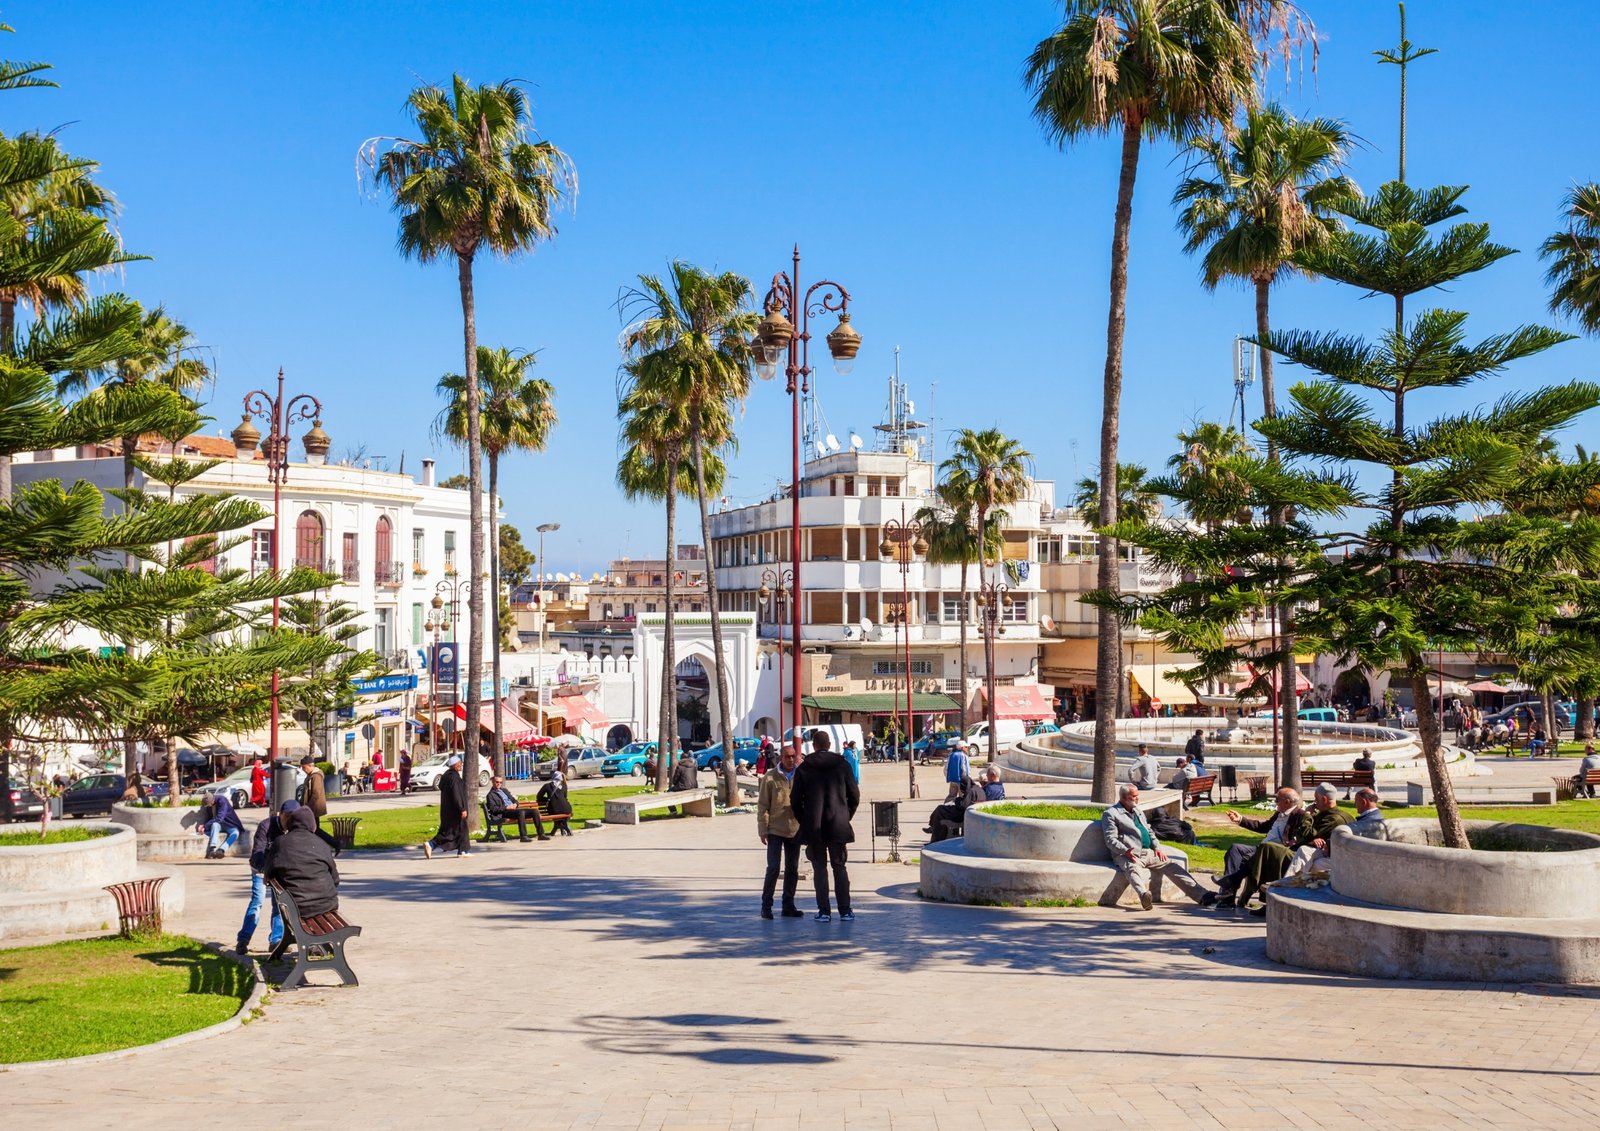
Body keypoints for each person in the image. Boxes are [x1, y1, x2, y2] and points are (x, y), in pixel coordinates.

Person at [1099, 785, 1212, 910]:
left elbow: (1149, 831)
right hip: (1127, 854)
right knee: (1132, 869)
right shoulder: (1111, 814)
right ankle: (1144, 896)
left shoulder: (1137, 810)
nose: (1138, 799)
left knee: (1173, 866)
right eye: (1135, 796)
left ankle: (1202, 895)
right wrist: (1125, 850)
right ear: (1125, 798)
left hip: (1148, 852)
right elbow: (1110, 839)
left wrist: (1157, 847)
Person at [790, 730, 860, 922]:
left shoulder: (804, 768)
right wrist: (846, 816)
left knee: (819, 868)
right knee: (840, 866)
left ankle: (824, 911)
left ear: (813, 746)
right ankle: (845, 910)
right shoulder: (842, 765)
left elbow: (795, 800)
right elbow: (854, 795)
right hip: (838, 824)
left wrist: (805, 820)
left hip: (814, 827)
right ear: (829, 745)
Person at [1211, 788, 1312, 909]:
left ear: (1287, 801)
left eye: (1277, 799)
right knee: (1235, 849)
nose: (1275, 802)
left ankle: (1229, 886)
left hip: (1275, 852)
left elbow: (1304, 835)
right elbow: (1264, 826)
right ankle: (1228, 896)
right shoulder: (1279, 814)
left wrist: (1292, 841)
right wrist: (1241, 820)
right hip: (1261, 848)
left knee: (1258, 852)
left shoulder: (1300, 815)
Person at [236, 800, 291, 955]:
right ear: (281, 815)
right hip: (260, 868)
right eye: (287, 817)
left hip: (278, 871)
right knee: (257, 902)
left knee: (279, 905)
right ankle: (243, 939)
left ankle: (276, 941)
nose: (289, 821)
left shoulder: (293, 828)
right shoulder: (266, 826)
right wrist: (265, 872)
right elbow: (258, 852)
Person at [266, 806, 340, 918]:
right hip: (326, 906)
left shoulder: (280, 843)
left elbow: (268, 873)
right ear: (312, 825)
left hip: (295, 908)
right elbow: (335, 880)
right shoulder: (322, 844)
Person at [757, 744, 804, 920]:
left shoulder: (801, 775)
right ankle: (766, 906)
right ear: (780, 758)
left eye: (793, 756)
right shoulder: (770, 778)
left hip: (795, 829)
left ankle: (788, 905)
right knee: (773, 868)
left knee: (792, 869)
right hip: (775, 830)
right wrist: (763, 829)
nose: (791, 760)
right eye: (787, 757)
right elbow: (763, 805)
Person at [422, 754, 469, 858]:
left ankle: (463, 850)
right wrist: (462, 808)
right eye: (460, 764)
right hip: (455, 810)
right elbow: (457, 794)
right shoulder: (454, 777)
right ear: (456, 765)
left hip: (447, 809)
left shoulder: (446, 776)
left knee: (458, 830)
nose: (461, 765)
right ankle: (431, 844)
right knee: (450, 832)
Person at [485, 775, 549, 842]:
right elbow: (493, 809)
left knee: (534, 811)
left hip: (514, 810)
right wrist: (507, 807)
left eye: (501, 782)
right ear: (493, 782)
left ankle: (541, 834)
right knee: (521, 813)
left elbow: (514, 800)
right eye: (497, 782)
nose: (499, 784)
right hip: (505, 812)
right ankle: (523, 836)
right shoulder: (490, 795)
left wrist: (515, 804)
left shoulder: (504, 790)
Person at [925, 772, 984, 843]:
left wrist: (958, 801)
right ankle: (934, 828)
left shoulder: (971, 791)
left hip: (963, 815)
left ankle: (935, 837)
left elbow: (963, 806)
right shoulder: (978, 790)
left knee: (940, 810)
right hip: (971, 813)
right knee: (941, 810)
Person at [298, 755, 340, 854]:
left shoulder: (316, 776)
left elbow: (316, 793)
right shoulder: (311, 776)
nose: (303, 770)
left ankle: (334, 844)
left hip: (313, 808)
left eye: (304, 767)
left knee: (314, 829)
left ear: (310, 765)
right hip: (311, 808)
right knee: (314, 829)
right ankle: (321, 847)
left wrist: (307, 807)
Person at [203, 789, 245, 858]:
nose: (208, 806)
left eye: (209, 804)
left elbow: (220, 818)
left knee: (235, 833)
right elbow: (210, 819)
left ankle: (221, 850)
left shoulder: (222, 800)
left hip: (230, 824)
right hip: (219, 825)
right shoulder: (209, 807)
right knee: (215, 825)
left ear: (212, 800)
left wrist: (205, 826)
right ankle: (211, 849)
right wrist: (204, 826)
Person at [536, 770, 574, 835]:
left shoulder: (547, 786)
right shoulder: (564, 786)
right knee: (562, 813)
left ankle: (561, 826)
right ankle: (564, 826)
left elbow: (538, 797)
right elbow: (564, 798)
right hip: (567, 809)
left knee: (558, 812)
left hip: (554, 810)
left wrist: (548, 799)